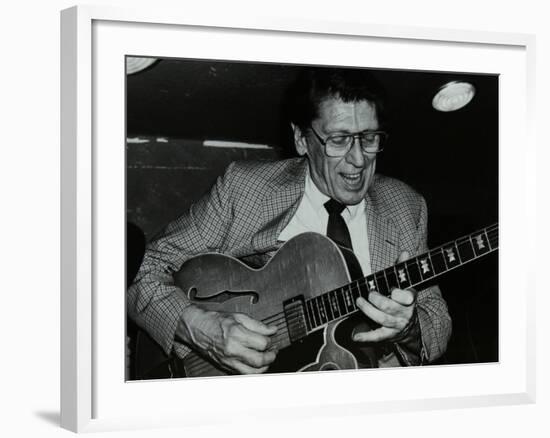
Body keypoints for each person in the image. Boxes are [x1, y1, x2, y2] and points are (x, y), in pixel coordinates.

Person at [127, 67, 452, 375]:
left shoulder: (406, 206)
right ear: (301, 139)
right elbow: (141, 269)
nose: (358, 159)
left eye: (368, 138)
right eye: (338, 140)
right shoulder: (246, 190)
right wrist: (203, 330)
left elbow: (436, 322)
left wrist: (408, 330)